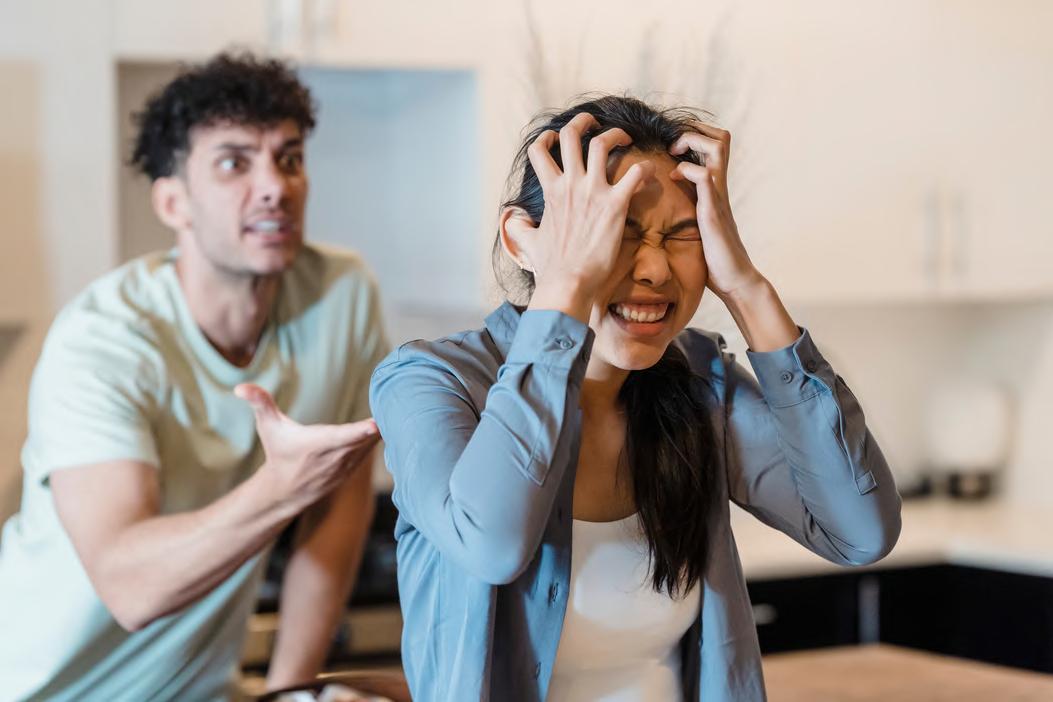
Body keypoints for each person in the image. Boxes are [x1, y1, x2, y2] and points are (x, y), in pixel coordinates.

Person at [369, 95, 902, 701]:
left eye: (681, 235)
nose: (654, 269)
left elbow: (860, 531)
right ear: (522, 241)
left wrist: (745, 287)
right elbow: (491, 544)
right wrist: (568, 284)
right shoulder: (427, 380)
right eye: (616, 231)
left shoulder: (700, 381)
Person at [0, 53, 390, 701]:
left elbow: (337, 512)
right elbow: (129, 585)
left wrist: (290, 692)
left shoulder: (342, 294)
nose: (274, 186)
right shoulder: (104, 340)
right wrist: (281, 488)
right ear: (173, 201)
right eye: (235, 163)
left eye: (289, 158)